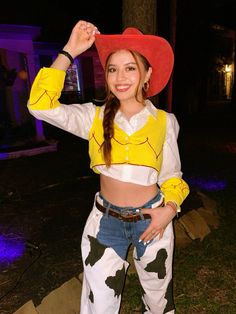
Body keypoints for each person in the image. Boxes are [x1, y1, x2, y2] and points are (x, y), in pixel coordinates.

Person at [28, 20, 189, 314]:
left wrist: (169, 210)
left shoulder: (166, 123)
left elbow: (172, 177)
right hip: (104, 225)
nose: (120, 77)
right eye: (113, 69)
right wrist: (69, 51)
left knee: (158, 301)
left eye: (130, 67)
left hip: (151, 223)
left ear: (147, 74)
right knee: (98, 306)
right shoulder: (93, 117)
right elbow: (40, 105)